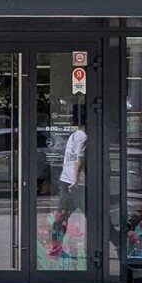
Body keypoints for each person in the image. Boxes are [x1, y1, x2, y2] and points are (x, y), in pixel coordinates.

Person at [49, 103, 87, 249]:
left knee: (62, 215)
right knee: (96, 217)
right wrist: (75, 179)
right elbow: (79, 159)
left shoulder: (74, 135)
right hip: (75, 183)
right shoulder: (83, 136)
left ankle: (55, 245)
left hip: (66, 180)